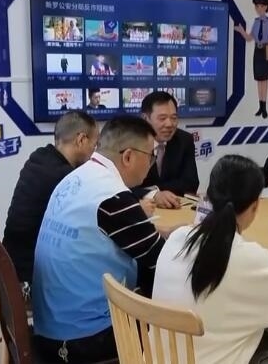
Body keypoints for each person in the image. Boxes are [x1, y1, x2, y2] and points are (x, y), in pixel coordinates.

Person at [152, 155, 268, 364]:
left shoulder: (178, 238)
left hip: (154, 358)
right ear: (255, 206)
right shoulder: (249, 258)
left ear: (208, 196)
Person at [31, 116, 168, 363]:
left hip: (48, 327)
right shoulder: (113, 197)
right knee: (173, 318)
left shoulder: (76, 177)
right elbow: (161, 260)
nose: (152, 164)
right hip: (82, 339)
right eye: (151, 156)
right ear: (128, 157)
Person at [3, 111, 98, 287]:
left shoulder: (39, 157)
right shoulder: (66, 178)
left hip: (12, 264)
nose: (94, 151)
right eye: (95, 144)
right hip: (30, 277)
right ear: (81, 140)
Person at [134, 91, 200, 208]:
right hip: (141, 209)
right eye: (162, 118)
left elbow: (191, 183)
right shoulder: (131, 142)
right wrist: (154, 194)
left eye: (174, 118)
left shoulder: (184, 140)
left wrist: (156, 190)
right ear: (145, 118)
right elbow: (122, 188)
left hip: (174, 207)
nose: (169, 124)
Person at [234, 0, 268, 119]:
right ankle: (260, 106)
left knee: (265, 79)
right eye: (257, 6)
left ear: (266, 7)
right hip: (257, 50)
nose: (259, 9)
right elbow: (249, 38)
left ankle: (265, 107)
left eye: (261, 6)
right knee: (259, 79)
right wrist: (241, 31)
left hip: (266, 49)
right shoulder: (256, 22)